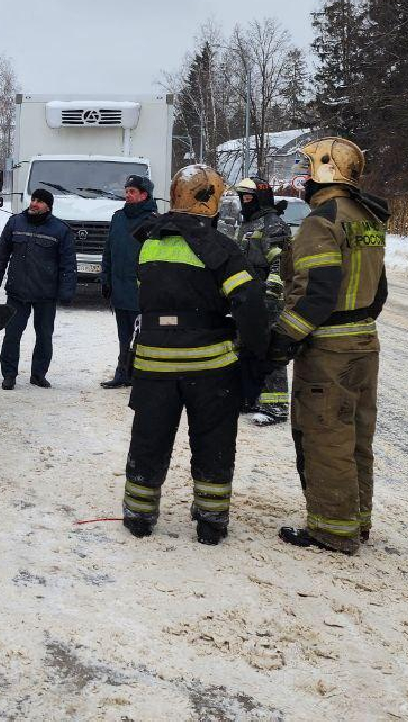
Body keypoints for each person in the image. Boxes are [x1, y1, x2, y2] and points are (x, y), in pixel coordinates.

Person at [121, 165, 269, 546]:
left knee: (149, 438)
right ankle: (211, 521)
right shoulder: (221, 247)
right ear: (211, 200)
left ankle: (138, 515)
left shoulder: (150, 241)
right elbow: (248, 302)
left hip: (153, 363)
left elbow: (148, 294)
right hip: (209, 367)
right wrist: (257, 352)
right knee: (213, 441)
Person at [269, 137, 389, 555]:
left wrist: (284, 338)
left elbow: (315, 292)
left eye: (307, 170)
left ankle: (333, 530)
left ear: (324, 171)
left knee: (325, 436)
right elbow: (379, 291)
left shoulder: (322, 221)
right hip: (364, 341)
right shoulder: (368, 218)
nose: (303, 179)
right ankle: (358, 521)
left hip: (329, 350)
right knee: (357, 435)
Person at [0, 188, 76, 389]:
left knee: (44, 336)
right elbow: (1, 253)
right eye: (33, 199)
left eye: (39, 201)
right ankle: (9, 375)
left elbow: (68, 265)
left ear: (48, 206)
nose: (34, 203)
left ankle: (38, 374)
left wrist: (67, 291)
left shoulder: (61, 230)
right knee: (12, 335)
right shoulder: (15, 222)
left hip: (46, 294)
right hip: (18, 292)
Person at [233, 175, 293, 425]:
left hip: (267, 299)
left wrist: (272, 295)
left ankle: (275, 405)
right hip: (247, 298)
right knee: (245, 347)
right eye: (242, 198)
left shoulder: (273, 225)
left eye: (249, 197)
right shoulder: (248, 224)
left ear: (260, 198)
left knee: (270, 350)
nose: (245, 202)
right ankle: (249, 397)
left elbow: (280, 263)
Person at [98, 174, 157, 389]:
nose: (127, 195)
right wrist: (105, 280)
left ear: (144, 195)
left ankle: (139, 375)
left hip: (141, 290)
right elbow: (109, 252)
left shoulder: (153, 221)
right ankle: (122, 372)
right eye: (127, 191)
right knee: (124, 335)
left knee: (142, 336)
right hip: (119, 288)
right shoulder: (118, 218)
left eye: (132, 191)